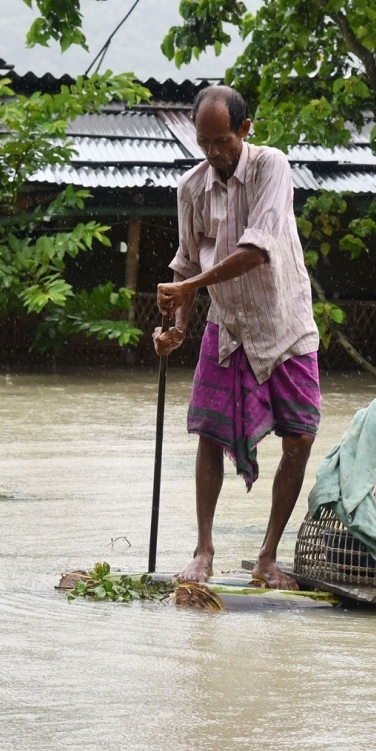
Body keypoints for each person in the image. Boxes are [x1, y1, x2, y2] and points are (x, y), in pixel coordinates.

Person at [153, 85, 321, 588]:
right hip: (227, 327)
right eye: (204, 142)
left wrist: (189, 286)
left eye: (223, 141)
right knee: (209, 433)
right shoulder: (191, 189)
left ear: (245, 130)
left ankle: (268, 556)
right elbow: (186, 262)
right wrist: (176, 328)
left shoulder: (271, 167)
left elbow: (256, 250)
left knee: (301, 438)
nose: (214, 153)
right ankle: (203, 551)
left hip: (283, 321)